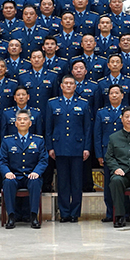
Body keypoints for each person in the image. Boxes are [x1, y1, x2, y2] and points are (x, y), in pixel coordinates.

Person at [45, 75, 91, 222]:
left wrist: (86, 147)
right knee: (63, 182)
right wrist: (50, 147)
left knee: (77, 182)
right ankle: (64, 213)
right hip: (59, 147)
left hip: (77, 147)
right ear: (61, 86)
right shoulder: (52, 103)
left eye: (72, 83)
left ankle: (75, 213)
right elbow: (48, 128)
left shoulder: (83, 103)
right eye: (66, 83)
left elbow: (87, 128)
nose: (69, 85)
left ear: (75, 86)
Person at [0, 110, 47, 229]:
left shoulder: (38, 140)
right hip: (14, 175)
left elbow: (43, 160)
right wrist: (7, 172)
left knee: (35, 182)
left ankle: (33, 216)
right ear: (15, 123)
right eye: (19, 119)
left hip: (31, 175)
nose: (22, 122)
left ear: (30, 123)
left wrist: (36, 172)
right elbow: (2, 161)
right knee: (8, 182)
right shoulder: (7, 141)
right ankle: (11, 216)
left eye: (25, 119)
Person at [95, 85, 126, 222]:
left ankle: (125, 213)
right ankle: (110, 213)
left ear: (122, 95)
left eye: (116, 93)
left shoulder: (127, 111)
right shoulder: (101, 113)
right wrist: (99, 154)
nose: (114, 95)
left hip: (125, 154)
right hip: (108, 153)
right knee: (108, 185)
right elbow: (97, 135)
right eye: (111, 93)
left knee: (123, 183)